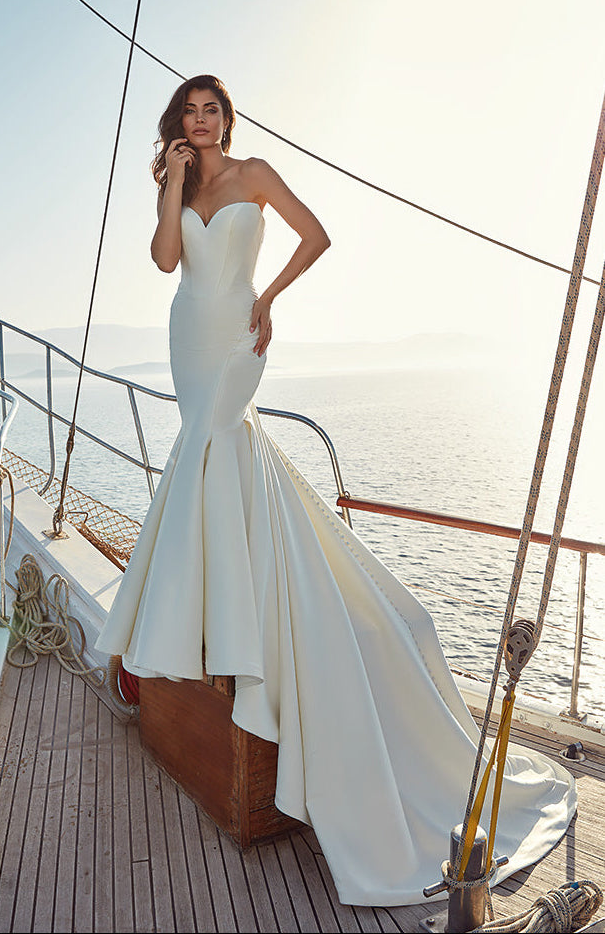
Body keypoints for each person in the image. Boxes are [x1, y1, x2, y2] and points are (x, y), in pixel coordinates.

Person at [96, 74, 576, 907]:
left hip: (239, 333)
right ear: (177, 125)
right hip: (188, 334)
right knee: (200, 451)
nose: (202, 120)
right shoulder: (184, 181)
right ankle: (217, 619)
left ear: (226, 119)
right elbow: (166, 258)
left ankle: (245, 619)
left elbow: (316, 236)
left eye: (212, 111)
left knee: (222, 441)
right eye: (190, 113)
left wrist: (269, 297)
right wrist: (171, 181)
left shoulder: (254, 174)